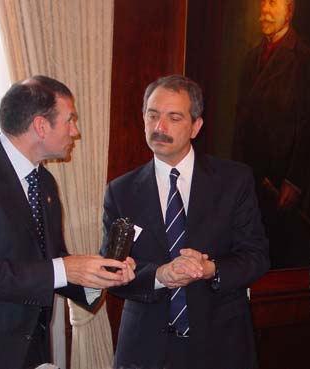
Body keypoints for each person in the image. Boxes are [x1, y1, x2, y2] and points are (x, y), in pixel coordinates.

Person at [0, 76, 135, 369]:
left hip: (32, 352)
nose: (75, 132)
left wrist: (96, 277)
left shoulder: (44, 182)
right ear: (40, 125)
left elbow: (52, 262)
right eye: (69, 120)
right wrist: (67, 268)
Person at [103, 75, 269, 369]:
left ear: (196, 126)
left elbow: (256, 257)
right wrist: (160, 274)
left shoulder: (234, 180)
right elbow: (112, 271)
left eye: (173, 118)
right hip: (144, 349)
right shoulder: (121, 190)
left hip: (220, 345)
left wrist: (210, 269)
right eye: (152, 116)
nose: (159, 127)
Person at [232, 0, 310, 268]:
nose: (265, 10)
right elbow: (241, 121)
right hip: (251, 177)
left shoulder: (305, 58)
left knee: (280, 254)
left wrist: (294, 181)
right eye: (262, 3)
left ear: (290, 11)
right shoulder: (251, 58)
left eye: (273, 3)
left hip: (281, 182)